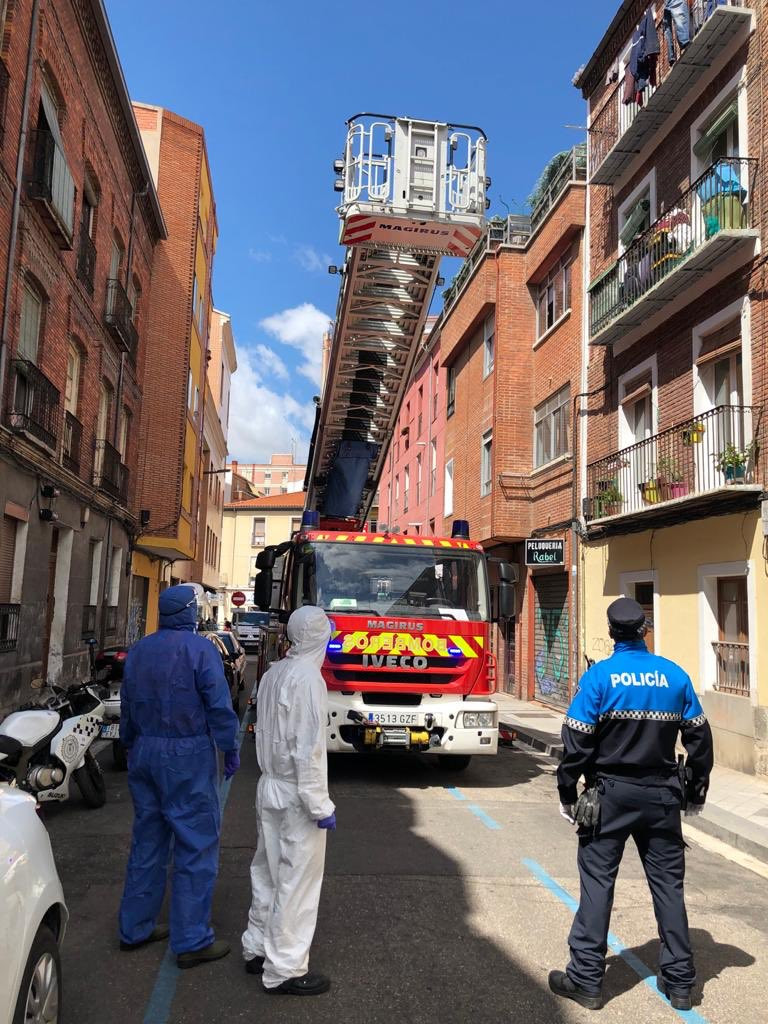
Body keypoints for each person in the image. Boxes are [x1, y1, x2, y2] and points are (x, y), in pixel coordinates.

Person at [549, 597, 714, 1013]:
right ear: (644, 631)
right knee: (668, 888)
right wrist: (694, 792)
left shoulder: (600, 677)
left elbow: (576, 743)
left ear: (611, 633)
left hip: (610, 797)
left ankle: (586, 980)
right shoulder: (674, 676)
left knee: (598, 884)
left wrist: (569, 793)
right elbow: (700, 740)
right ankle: (679, 984)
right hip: (662, 798)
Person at [119, 584, 241, 968]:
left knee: (148, 841)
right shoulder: (201, 650)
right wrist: (231, 746)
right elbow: (219, 706)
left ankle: (135, 928)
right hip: (186, 754)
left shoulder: (140, 650)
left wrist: (128, 745)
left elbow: (127, 705)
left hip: (145, 752)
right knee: (195, 844)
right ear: (189, 612)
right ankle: (191, 940)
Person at [242, 604, 335, 996]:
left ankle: (256, 948)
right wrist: (320, 805)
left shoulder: (273, 673)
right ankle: (285, 969)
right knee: (297, 881)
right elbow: (308, 748)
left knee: (267, 870)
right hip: (297, 794)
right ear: (318, 637)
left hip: (270, 786)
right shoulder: (309, 680)